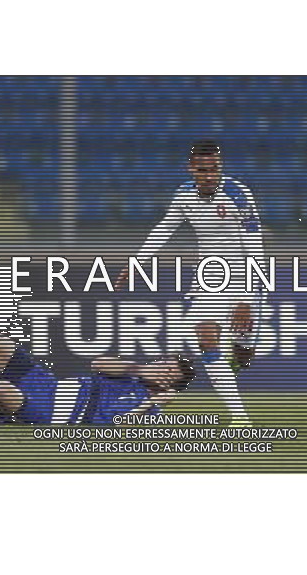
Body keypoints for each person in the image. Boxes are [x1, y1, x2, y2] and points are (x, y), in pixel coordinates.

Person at [115, 140, 268, 426]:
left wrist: (246, 299)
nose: (210, 176)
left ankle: (240, 352)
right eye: (203, 170)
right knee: (205, 338)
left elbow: (255, 246)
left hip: (245, 277)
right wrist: (137, 263)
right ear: (191, 170)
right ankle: (240, 419)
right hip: (210, 279)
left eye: (215, 169)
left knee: (244, 351)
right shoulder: (184, 195)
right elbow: (164, 229)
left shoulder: (238, 194)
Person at [0, 334, 195, 426]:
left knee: (0, 389)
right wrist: (139, 369)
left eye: (170, 374)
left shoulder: (151, 407)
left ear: (172, 387)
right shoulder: (134, 372)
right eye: (164, 364)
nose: (163, 370)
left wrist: (152, 402)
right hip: (50, 385)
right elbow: (98, 363)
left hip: (56, 411)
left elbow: (121, 425)